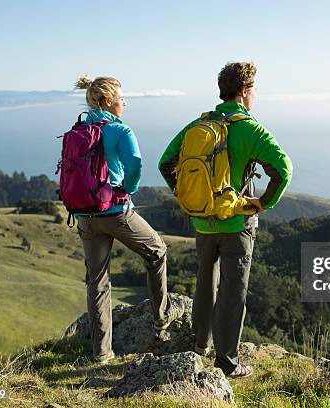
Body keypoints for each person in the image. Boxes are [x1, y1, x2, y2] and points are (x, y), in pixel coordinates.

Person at [158, 62, 292, 378]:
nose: (255, 95)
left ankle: (199, 344)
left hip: (203, 221)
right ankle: (227, 362)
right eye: (254, 89)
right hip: (236, 223)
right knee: (233, 289)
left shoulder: (197, 125)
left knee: (205, 279)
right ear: (245, 91)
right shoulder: (249, 128)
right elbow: (283, 169)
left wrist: (189, 197)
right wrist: (262, 203)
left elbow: (166, 163)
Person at [73, 75, 182, 364]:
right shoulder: (120, 130)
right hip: (115, 211)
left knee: (97, 280)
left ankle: (101, 352)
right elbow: (135, 165)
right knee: (157, 251)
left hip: (84, 214)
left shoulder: (79, 129)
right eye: (122, 98)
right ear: (107, 101)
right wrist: (127, 190)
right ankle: (161, 318)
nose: (125, 102)